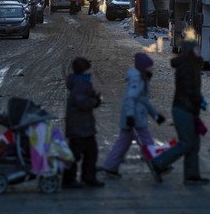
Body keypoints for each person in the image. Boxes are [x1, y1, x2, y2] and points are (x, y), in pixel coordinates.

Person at [150, 41, 210, 185]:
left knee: (194, 143)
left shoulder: (193, 64)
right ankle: (158, 163)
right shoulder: (187, 67)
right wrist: (198, 101)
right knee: (187, 142)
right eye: (197, 48)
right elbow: (190, 90)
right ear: (190, 51)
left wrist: (197, 101)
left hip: (189, 108)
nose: (199, 50)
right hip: (183, 109)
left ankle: (192, 176)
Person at [99, 52, 167, 179]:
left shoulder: (142, 78)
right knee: (147, 142)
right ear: (143, 67)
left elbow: (144, 100)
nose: (151, 69)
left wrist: (156, 115)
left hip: (134, 117)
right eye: (149, 66)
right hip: (135, 118)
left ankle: (110, 167)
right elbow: (130, 98)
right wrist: (130, 116)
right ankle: (158, 164)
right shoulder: (138, 79)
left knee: (122, 143)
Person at [62, 57, 104, 189]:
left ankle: (86, 178)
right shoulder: (81, 84)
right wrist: (94, 101)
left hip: (81, 125)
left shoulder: (79, 82)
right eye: (89, 67)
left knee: (88, 152)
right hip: (79, 126)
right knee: (81, 154)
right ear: (84, 70)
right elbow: (81, 102)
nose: (91, 71)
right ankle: (71, 179)